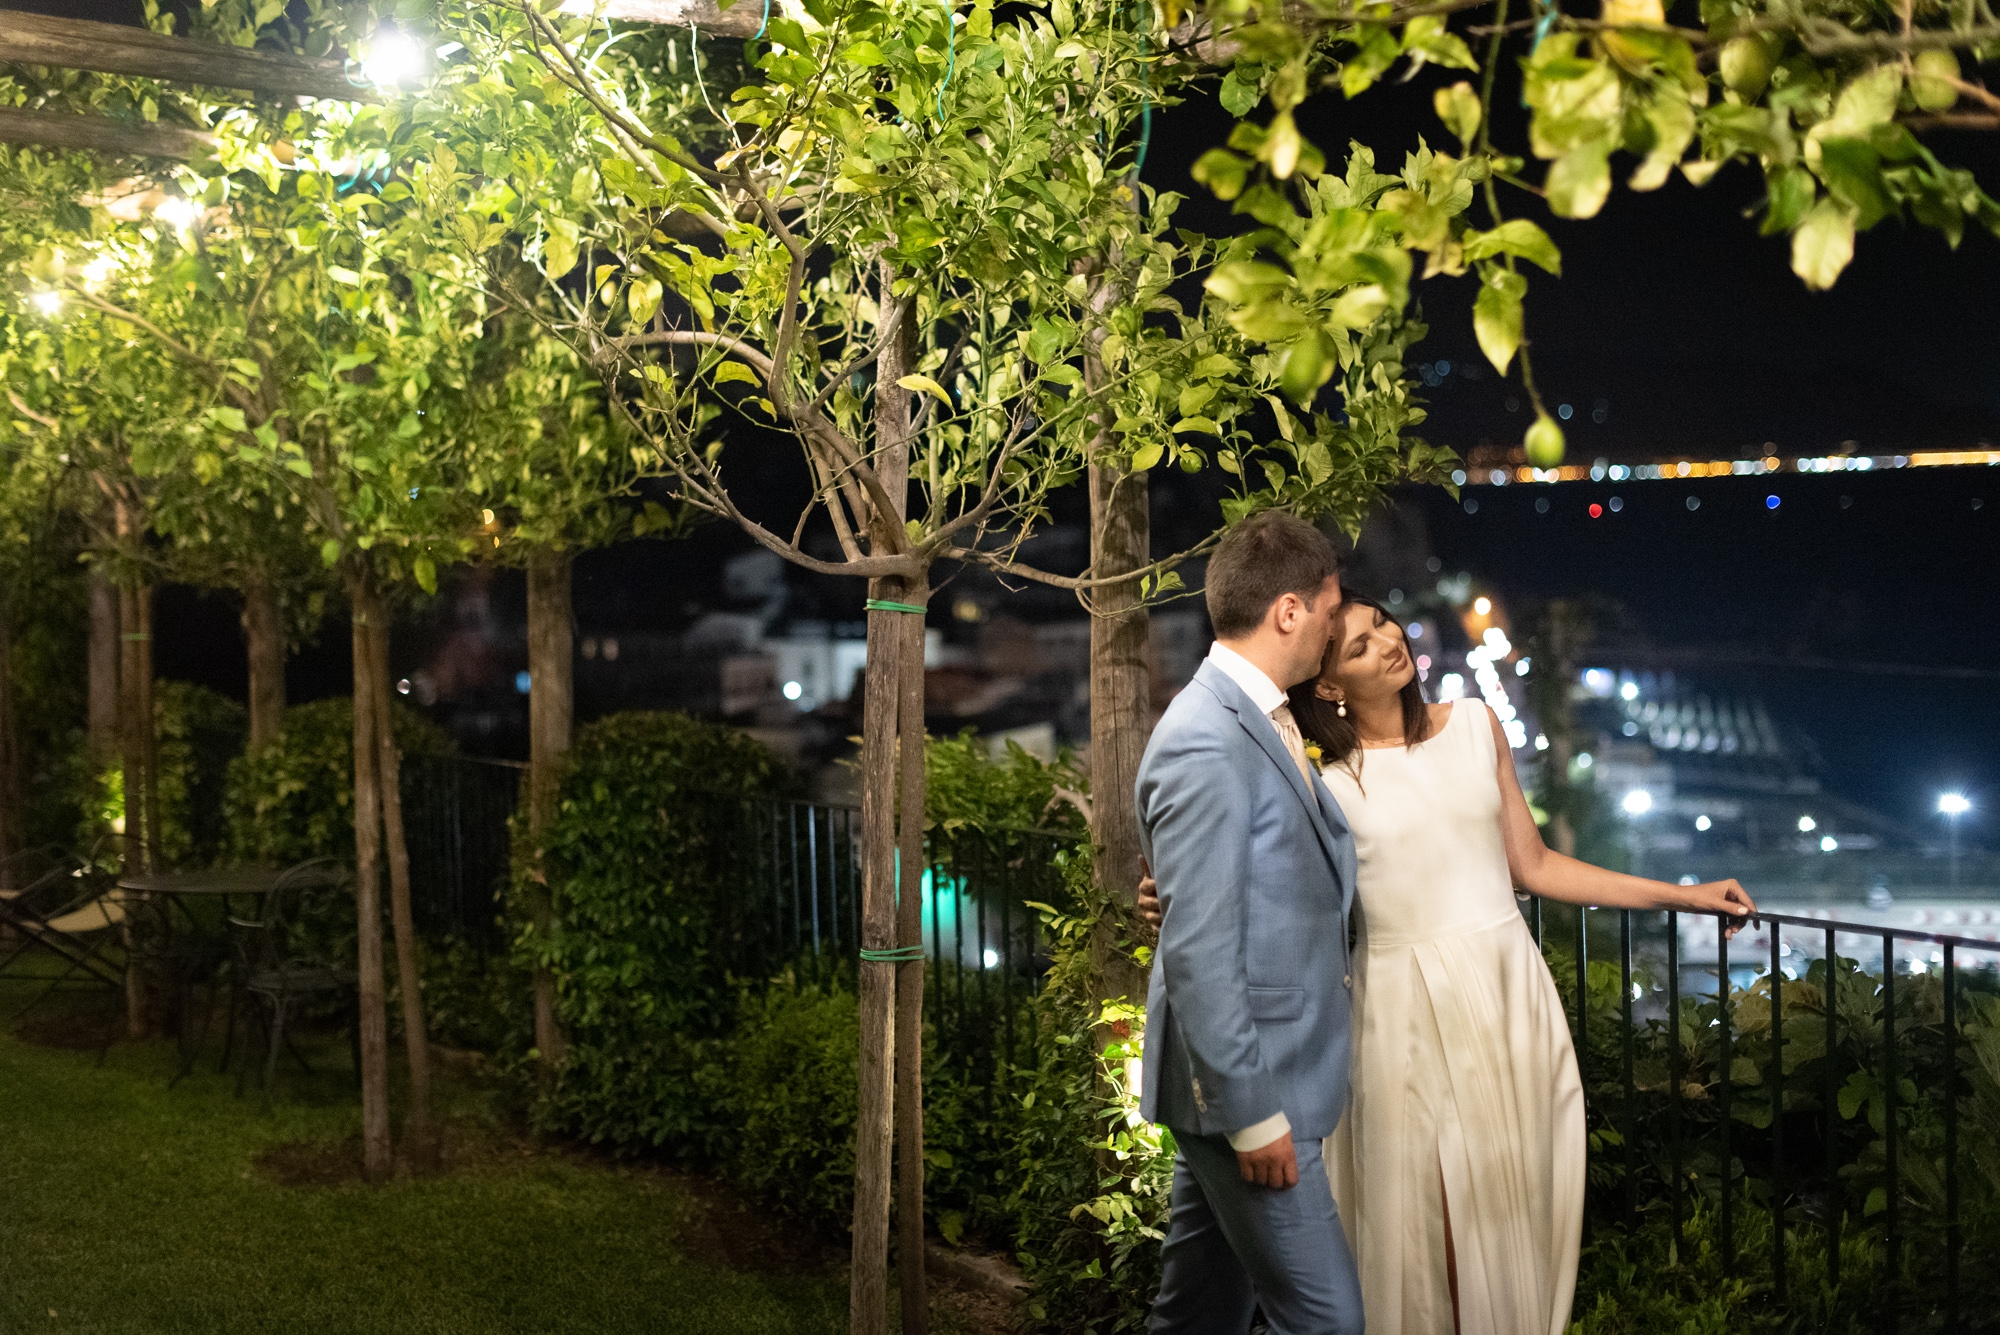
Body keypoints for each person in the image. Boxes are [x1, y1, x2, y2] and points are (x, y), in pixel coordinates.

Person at [1139, 592, 1756, 1335]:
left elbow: (1534, 864)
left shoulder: (1474, 724)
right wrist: (1165, 895)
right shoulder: (1322, 777)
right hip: (1397, 1010)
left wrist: (1683, 896)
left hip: (1505, 992)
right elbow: (1263, 879)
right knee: (1423, 1224)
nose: (1388, 643)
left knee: (1510, 1205)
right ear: (1329, 684)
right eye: (1359, 645)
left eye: (1383, 626)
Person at [1134, 510, 1364, 1335]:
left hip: (1251, 1080)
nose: (1337, 628)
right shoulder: (1207, 738)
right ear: (1290, 611)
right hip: (1253, 1089)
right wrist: (1255, 1113)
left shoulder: (1261, 715)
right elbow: (1198, 952)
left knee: (1198, 1314)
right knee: (1329, 1321)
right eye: (1332, 611)